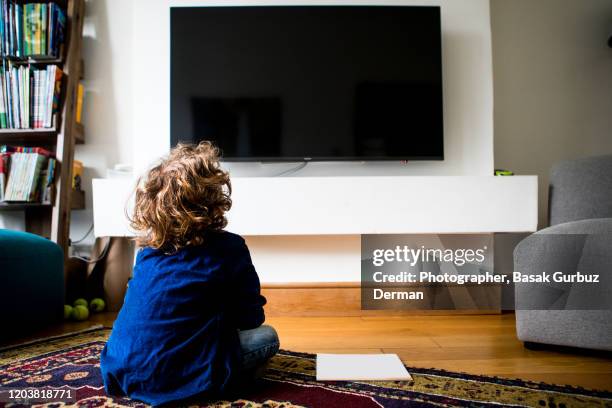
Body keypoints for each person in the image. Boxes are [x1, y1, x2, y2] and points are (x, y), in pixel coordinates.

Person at [100, 142, 279, 405]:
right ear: (213, 198)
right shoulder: (230, 247)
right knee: (268, 337)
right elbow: (251, 318)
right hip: (182, 372)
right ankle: (217, 380)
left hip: (124, 369)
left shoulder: (147, 252)